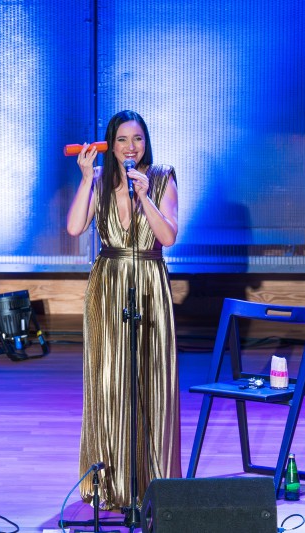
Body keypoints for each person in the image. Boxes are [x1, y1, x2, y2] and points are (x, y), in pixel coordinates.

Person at [66, 110, 180, 511]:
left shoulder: (162, 177)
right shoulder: (99, 180)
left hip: (149, 283)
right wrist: (86, 178)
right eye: (122, 140)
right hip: (109, 284)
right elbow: (74, 228)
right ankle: (112, 480)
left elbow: (168, 236)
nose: (131, 147)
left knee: (150, 377)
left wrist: (145, 197)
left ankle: (152, 481)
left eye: (138, 139)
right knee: (111, 379)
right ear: (109, 145)